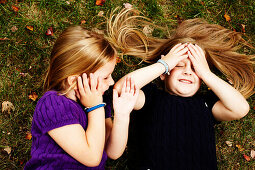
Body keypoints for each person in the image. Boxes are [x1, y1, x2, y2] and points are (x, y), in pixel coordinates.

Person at [109, 8, 255, 169]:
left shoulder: (207, 104)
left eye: (195, 68)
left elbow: (241, 108)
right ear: (165, 74)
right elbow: (122, 89)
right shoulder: (151, 97)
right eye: (179, 65)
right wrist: (163, 64)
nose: (187, 71)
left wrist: (206, 73)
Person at [24, 26, 139, 170]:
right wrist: (95, 107)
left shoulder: (100, 103)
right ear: (74, 81)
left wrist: (122, 116)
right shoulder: (54, 104)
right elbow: (92, 157)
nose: (111, 82)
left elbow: (112, 152)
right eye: (105, 77)